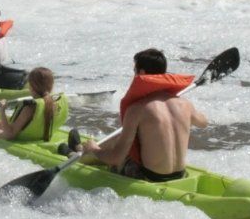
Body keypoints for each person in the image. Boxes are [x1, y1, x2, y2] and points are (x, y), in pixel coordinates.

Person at [81, 48, 207, 182]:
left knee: (115, 153)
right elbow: (203, 123)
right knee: (120, 138)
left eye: (134, 71)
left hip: (150, 177)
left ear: (141, 73)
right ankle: (79, 148)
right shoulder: (185, 105)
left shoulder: (137, 109)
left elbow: (116, 158)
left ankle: (79, 152)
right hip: (180, 175)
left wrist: (94, 150)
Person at [0, 67, 65, 141]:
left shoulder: (30, 108)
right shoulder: (55, 101)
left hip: (23, 137)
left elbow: (9, 135)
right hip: (37, 134)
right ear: (51, 86)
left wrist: (2, 111)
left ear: (32, 87)